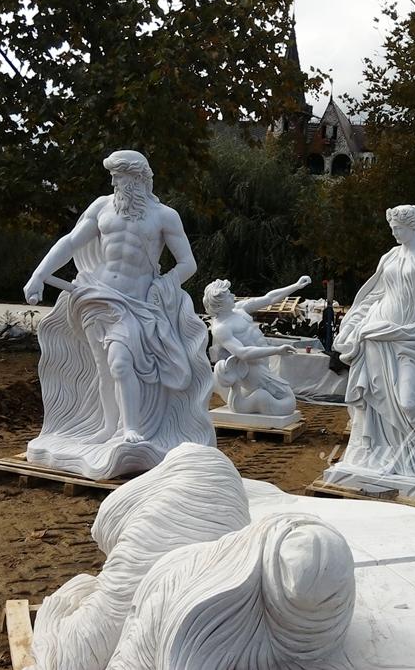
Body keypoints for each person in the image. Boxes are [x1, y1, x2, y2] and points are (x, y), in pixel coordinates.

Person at [22, 150, 214, 478]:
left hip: (136, 303)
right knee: (103, 368)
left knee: (121, 363)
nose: (112, 182)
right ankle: (109, 427)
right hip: (96, 298)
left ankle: (131, 429)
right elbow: (69, 243)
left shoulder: (164, 216)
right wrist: (38, 275)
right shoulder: (101, 207)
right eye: (112, 176)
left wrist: (164, 284)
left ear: (138, 178)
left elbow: (188, 264)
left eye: (119, 176)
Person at [331, 204, 415, 483]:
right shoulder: (390, 256)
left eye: (397, 229)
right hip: (377, 335)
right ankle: (381, 456)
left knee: (409, 402)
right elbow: (373, 295)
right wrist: (353, 324)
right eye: (392, 229)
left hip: (412, 339)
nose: (394, 234)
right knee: (375, 402)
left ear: (412, 226)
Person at [203, 276, 311, 416]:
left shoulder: (239, 308)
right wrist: (277, 350)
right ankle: (254, 400)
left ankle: (252, 400)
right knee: (288, 403)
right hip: (251, 371)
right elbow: (243, 353)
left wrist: (295, 286)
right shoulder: (221, 328)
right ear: (220, 303)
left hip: (262, 365)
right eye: (229, 295)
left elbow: (269, 298)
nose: (233, 295)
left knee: (287, 401)